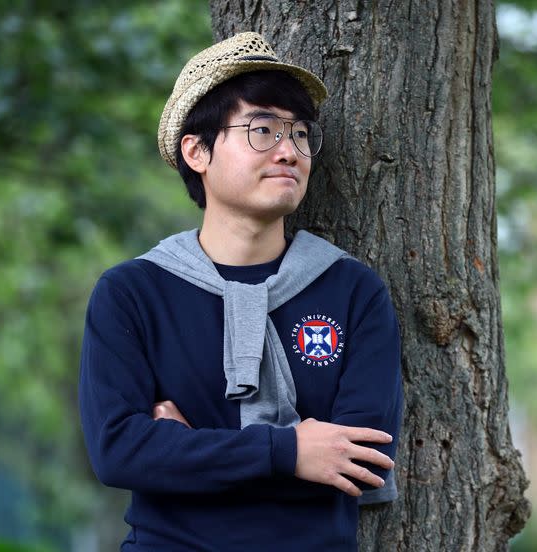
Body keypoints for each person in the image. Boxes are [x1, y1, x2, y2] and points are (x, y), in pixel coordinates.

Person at [79, 32, 403, 551]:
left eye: (300, 134)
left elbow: (360, 462)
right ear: (198, 150)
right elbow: (118, 452)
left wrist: (185, 450)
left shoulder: (352, 291)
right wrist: (290, 451)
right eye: (263, 130)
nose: (289, 151)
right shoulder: (133, 294)